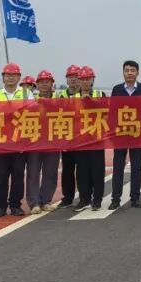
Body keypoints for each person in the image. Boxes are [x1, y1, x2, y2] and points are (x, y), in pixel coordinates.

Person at [109, 60, 141, 209]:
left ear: (137, 73)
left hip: (137, 135)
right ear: (123, 73)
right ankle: (115, 199)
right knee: (118, 168)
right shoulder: (117, 89)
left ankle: (135, 198)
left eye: (132, 70)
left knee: (137, 167)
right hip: (120, 135)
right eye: (126, 70)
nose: (129, 73)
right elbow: (112, 112)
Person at [0, 62, 29, 217]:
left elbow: (32, 113)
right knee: (0, 176)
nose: (10, 78)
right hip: (1, 142)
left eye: (13, 75)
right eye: (7, 75)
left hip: (20, 142)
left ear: (19, 77)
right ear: (3, 77)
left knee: (18, 175)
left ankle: (15, 205)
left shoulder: (27, 93)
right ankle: (0, 206)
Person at [26, 70, 61, 213]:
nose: (44, 84)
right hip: (35, 141)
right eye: (41, 82)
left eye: (47, 81)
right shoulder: (31, 100)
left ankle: (45, 201)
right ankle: (34, 203)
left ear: (52, 83)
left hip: (53, 141)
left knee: (50, 172)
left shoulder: (59, 99)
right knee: (33, 172)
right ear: (37, 85)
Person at [73, 66, 107, 211]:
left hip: (96, 138)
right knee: (81, 171)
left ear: (92, 80)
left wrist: (91, 101)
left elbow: (107, 112)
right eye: (82, 79)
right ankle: (84, 199)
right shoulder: (73, 98)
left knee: (97, 170)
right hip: (80, 139)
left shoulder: (100, 94)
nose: (85, 82)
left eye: (88, 79)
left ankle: (97, 199)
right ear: (78, 81)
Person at [56, 65, 83, 207]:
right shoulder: (61, 96)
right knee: (67, 169)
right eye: (70, 77)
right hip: (67, 138)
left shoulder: (86, 94)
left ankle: (84, 196)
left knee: (83, 169)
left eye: (76, 77)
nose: (73, 79)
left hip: (83, 138)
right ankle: (67, 197)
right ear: (66, 80)